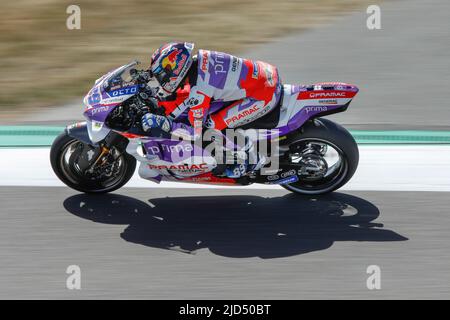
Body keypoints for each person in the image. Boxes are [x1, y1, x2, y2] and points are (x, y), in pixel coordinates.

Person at [141, 42, 282, 178]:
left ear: (176, 68)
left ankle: (252, 159)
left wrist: (167, 124)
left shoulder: (200, 90)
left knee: (210, 125)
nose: (161, 79)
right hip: (265, 72)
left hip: (264, 95)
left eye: (162, 73)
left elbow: (196, 133)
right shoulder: (200, 58)